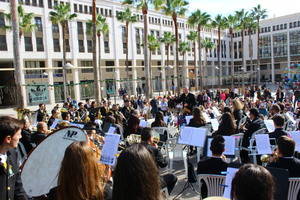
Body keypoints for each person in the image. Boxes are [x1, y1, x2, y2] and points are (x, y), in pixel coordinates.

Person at [141, 128, 177, 195]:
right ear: (150, 138)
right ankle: (162, 197)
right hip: (151, 182)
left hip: (138, 182)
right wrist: (158, 151)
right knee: (173, 178)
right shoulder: (154, 149)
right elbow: (163, 164)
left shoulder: (136, 148)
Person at [0, 116, 28, 200]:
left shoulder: (13, 153)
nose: (21, 137)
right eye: (19, 134)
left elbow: (18, 186)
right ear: (8, 139)